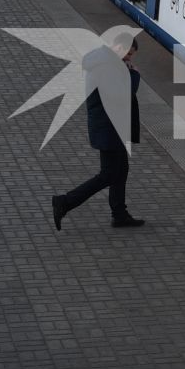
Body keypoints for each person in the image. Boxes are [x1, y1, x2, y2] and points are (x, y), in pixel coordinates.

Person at [51, 32, 146, 229]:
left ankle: (119, 214)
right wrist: (134, 74)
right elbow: (120, 95)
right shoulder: (106, 66)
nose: (129, 59)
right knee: (108, 174)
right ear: (118, 48)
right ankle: (65, 202)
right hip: (108, 128)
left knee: (121, 171)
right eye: (128, 54)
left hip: (111, 126)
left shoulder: (106, 60)